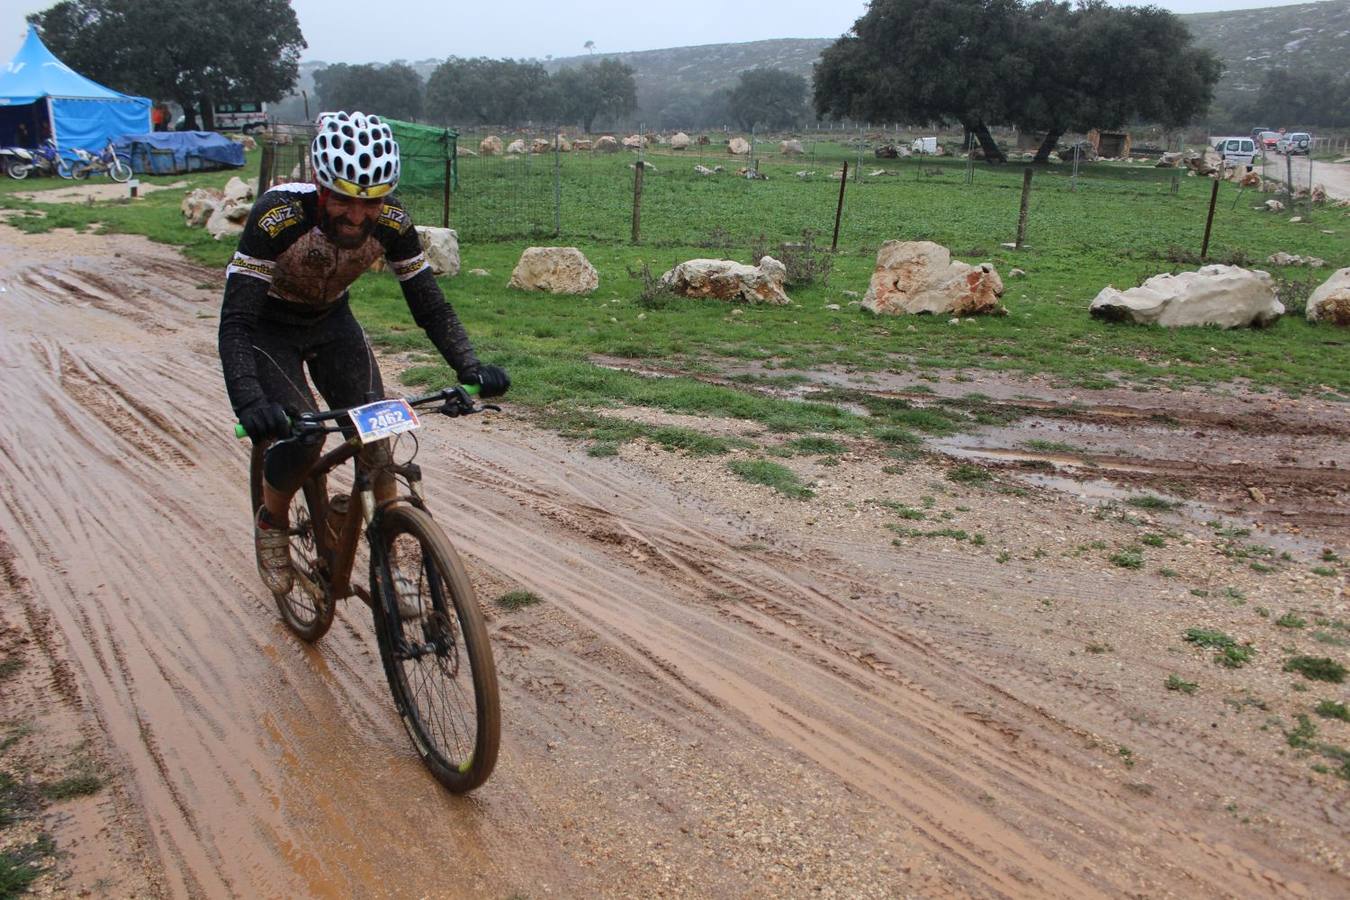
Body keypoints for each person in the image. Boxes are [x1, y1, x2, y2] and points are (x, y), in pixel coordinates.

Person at [218, 110, 508, 600]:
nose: (357, 216)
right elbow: (237, 322)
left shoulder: (393, 222)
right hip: (271, 328)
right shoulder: (277, 216)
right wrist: (250, 404)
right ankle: (272, 520)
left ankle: (389, 560)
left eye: (370, 203)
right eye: (344, 201)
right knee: (305, 437)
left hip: (332, 322)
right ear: (321, 186)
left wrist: (469, 365)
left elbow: (428, 304)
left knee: (378, 432)